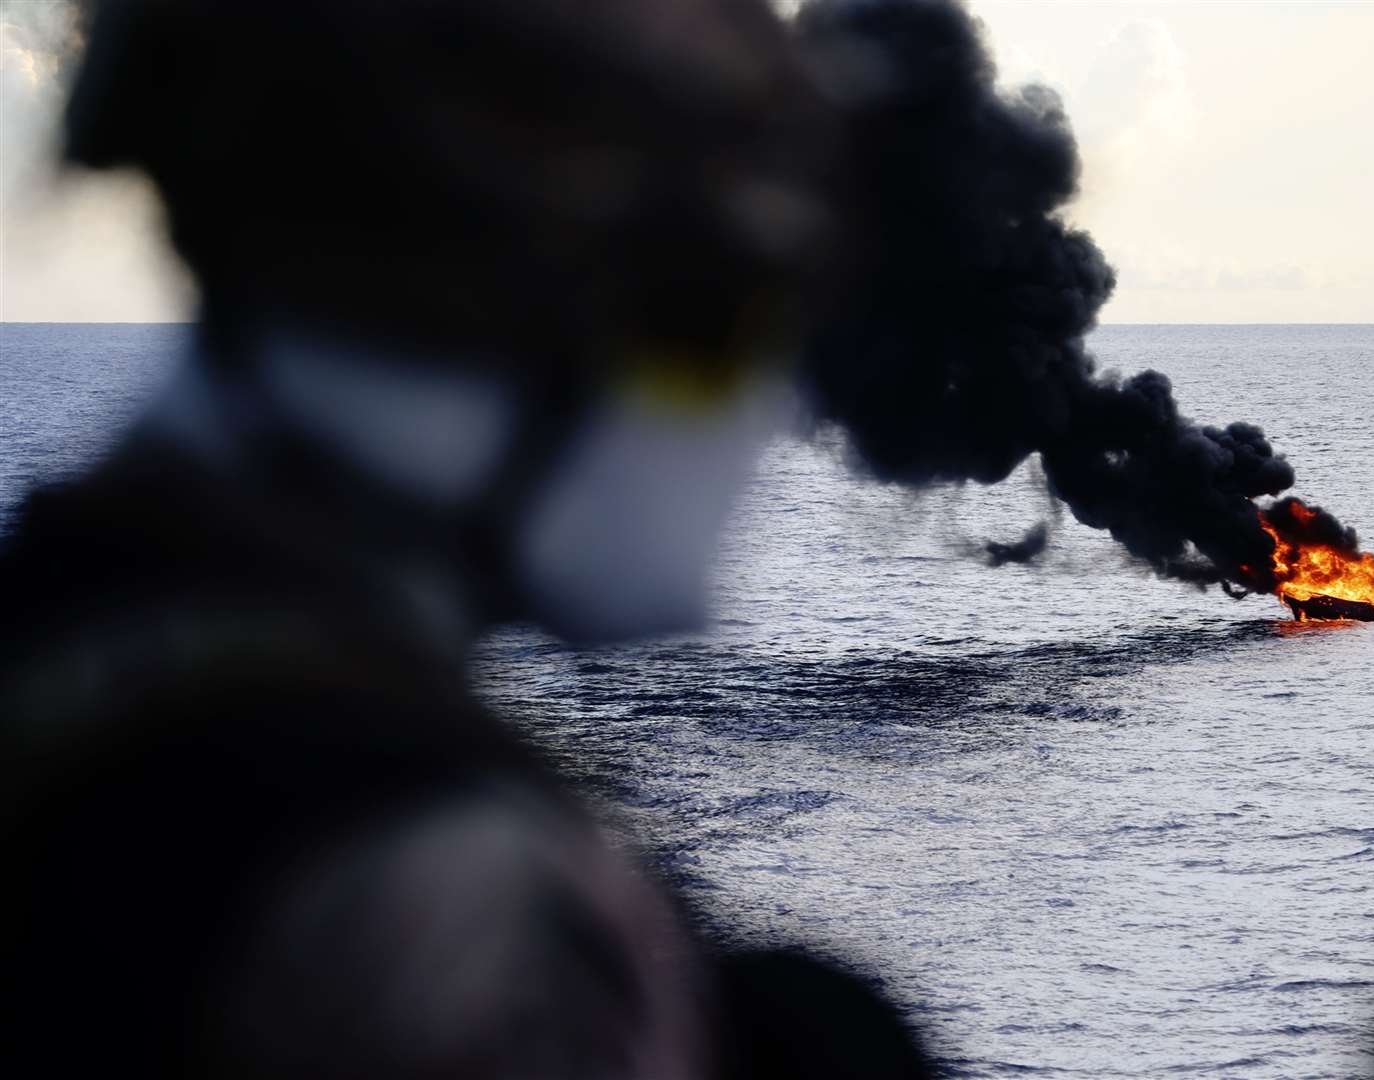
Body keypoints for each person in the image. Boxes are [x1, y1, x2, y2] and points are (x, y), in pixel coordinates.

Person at [0, 1, 927, 1076]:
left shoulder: (67, 644)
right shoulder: (437, 902)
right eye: (711, 335)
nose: (767, 413)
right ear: (487, 324)